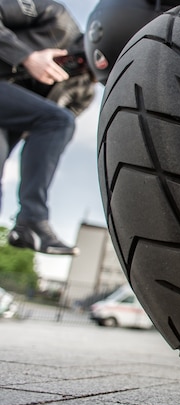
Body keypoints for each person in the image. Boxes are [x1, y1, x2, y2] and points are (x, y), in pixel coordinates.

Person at [0, 0, 94, 255]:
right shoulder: (55, 16)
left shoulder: (85, 92)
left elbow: (47, 137)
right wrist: (26, 57)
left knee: (60, 122)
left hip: (8, 122)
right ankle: (32, 219)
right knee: (59, 120)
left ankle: (29, 224)